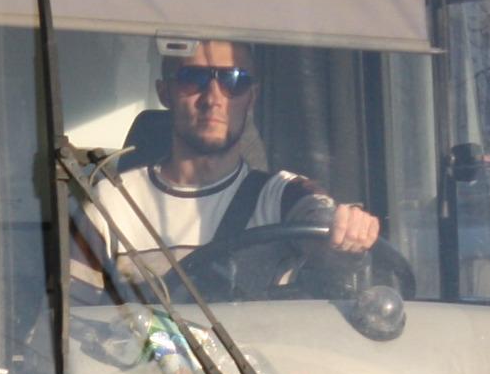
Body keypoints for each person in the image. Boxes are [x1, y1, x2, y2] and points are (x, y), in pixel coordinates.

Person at [80, 39, 380, 285]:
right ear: (165, 93)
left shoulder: (281, 196)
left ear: (251, 98)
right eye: (192, 79)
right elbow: (70, 324)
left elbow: (321, 223)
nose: (213, 97)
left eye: (233, 81)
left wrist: (347, 231)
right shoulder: (112, 203)